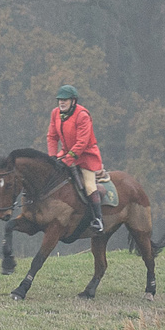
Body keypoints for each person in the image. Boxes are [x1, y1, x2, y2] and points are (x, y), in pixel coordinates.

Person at [46, 85, 105, 234]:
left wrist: (68, 159)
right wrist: (53, 157)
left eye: (64, 100)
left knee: (90, 186)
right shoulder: (55, 113)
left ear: (73, 101)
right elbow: (52, 137)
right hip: (65, 154)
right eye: (59, 100)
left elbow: (82, 142)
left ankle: (98, 220)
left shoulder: (82, 115)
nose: (61, 103)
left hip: (86, 156)